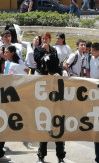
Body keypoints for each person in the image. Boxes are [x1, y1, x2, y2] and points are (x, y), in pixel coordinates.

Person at [33, 32, 66, 163]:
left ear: (50, 40)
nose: (45, 40)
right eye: (43, 39)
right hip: (43, 90)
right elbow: (38, 62)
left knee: (58, 128)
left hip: (55, 95)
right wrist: (44, 53)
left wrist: (49, 53)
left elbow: (55, 64)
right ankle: (41, 156)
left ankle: (61, 156)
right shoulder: (38, 49)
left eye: (47, 39)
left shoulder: (53, 50)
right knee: (44, 127)